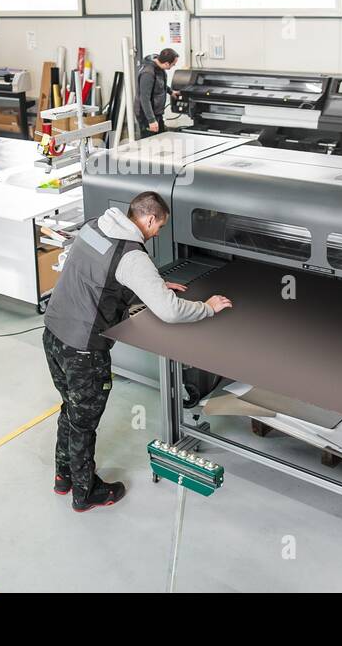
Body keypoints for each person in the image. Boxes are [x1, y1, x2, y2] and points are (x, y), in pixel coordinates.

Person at [42, 191, 232, 512]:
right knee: (84, 424)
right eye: (159, 226)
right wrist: (207, 308)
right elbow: (170, 312)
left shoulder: (95, 226)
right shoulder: (133, 257)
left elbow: (98, 276)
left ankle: (64, 476)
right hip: (83, 351)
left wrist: (150, 286)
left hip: (53, 334)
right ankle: (85, 493)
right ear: (149, 219)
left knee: (71, 410)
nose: (158, 233)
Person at [135, 47, 180, 134]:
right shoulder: (148, 73)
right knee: (151, 142)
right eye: (173, 64)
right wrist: (151, 120)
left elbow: (159, 84)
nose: (173, 66)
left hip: (156, 112)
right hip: (146, 114)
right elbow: (144, 98)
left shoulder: (159, 68)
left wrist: (171, 92)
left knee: (161, 137)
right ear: (167, 64)